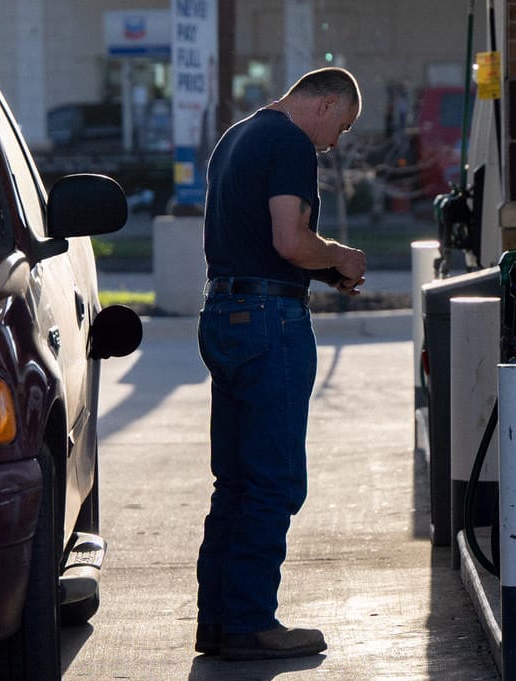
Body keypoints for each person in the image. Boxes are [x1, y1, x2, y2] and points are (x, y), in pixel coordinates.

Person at [193, 67, 368, 661]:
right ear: (324, 104)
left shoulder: (237, 136)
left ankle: (216, 621)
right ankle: (250, 623)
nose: (334, 143)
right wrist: (342, 255)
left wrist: (324, 270)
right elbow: (291, 239)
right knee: (274, 479)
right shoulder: (292, 142)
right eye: (340, 127)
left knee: (235, 480)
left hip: (222, 310)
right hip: (270, 322)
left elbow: (259, 240)